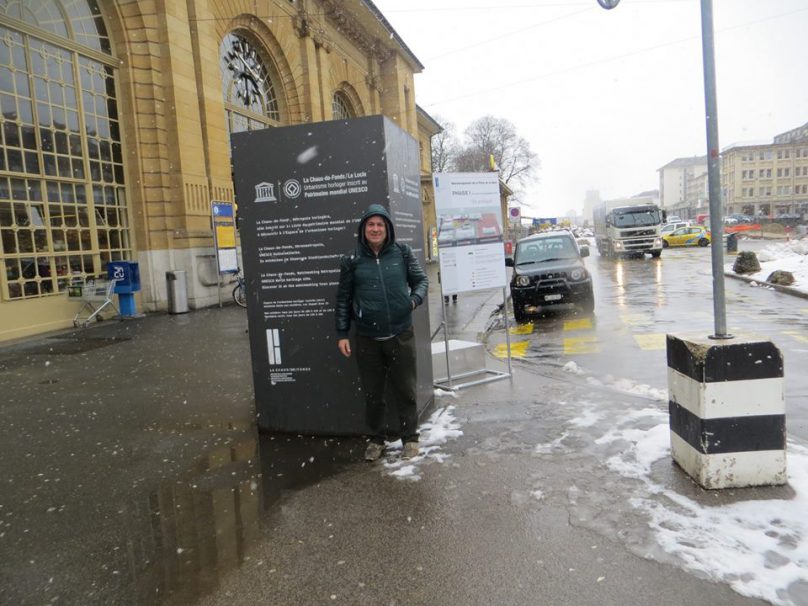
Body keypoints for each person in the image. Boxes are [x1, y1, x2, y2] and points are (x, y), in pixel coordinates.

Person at [335, 204, 429, 462]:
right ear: (363, 230)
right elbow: (343, 299)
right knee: (373, 395)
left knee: (406, 390)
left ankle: (410, 438)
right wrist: (342, 333)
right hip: (367, 339)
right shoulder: (352, 260)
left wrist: (412, 301)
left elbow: (421, 280)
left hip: (400, 334)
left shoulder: (402, 252)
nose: (375, 229)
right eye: (370, 225)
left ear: (388, 229)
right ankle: (377, 439)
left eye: (380, 225)